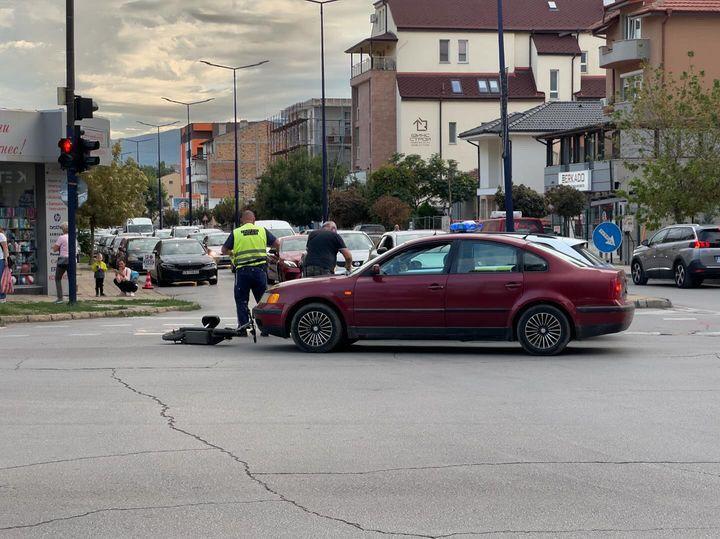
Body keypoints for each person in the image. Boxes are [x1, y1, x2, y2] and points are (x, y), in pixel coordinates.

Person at [222, 210, 280, 333]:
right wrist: (274, 254)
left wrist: (232, 254)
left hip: (242, 271)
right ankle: (265, 328)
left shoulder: (236, 232)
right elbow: (277, 243)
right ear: (254, 220)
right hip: (260, 271)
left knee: (241, 300)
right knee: (262, 300)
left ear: (242, 220)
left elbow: (224, 249)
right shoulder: (262, 231)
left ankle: (243, 328)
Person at [51, 222, 69, 304]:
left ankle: (60, 297)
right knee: (71, 278)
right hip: (71, 259)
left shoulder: (61, 237)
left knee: (57, 278)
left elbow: (55, 248)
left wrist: (54, 247)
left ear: (63, 229)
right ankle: (72, 295)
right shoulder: (72, 237)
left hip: (63, 259)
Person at [0, 225, 9, 303]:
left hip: (1, 259)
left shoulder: (1, 236)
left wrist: (6, 260)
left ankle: (2, 297)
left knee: (1, 279)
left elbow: (5, 248)